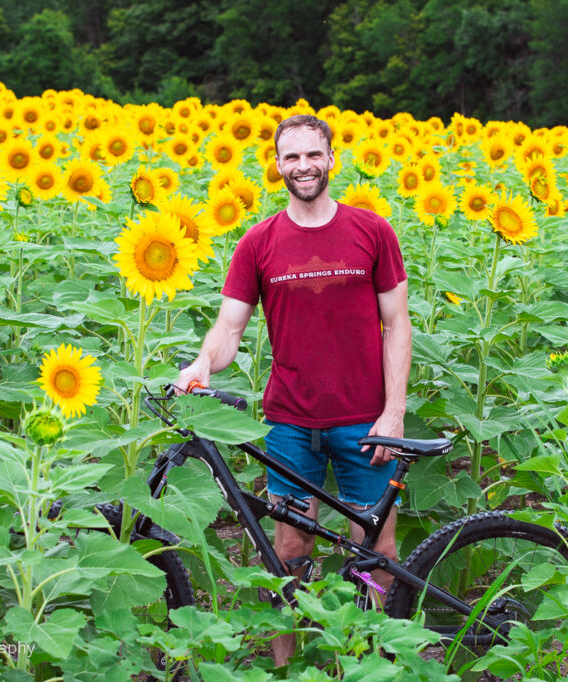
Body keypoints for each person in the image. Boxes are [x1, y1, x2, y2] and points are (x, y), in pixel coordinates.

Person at [176, 114, 411, 666]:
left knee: (375, 549)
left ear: (332, 158)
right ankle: (287, 667)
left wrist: (394, 412)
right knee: (287, 550)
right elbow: (229, 327)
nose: (302, 166)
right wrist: (202, 363)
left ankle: (371, 664)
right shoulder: (259, 242)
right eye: (291, 157)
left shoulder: (372, 231)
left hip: (365, 419)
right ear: (277, 166)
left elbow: (397, 324)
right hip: (289, 421)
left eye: (312, 155)